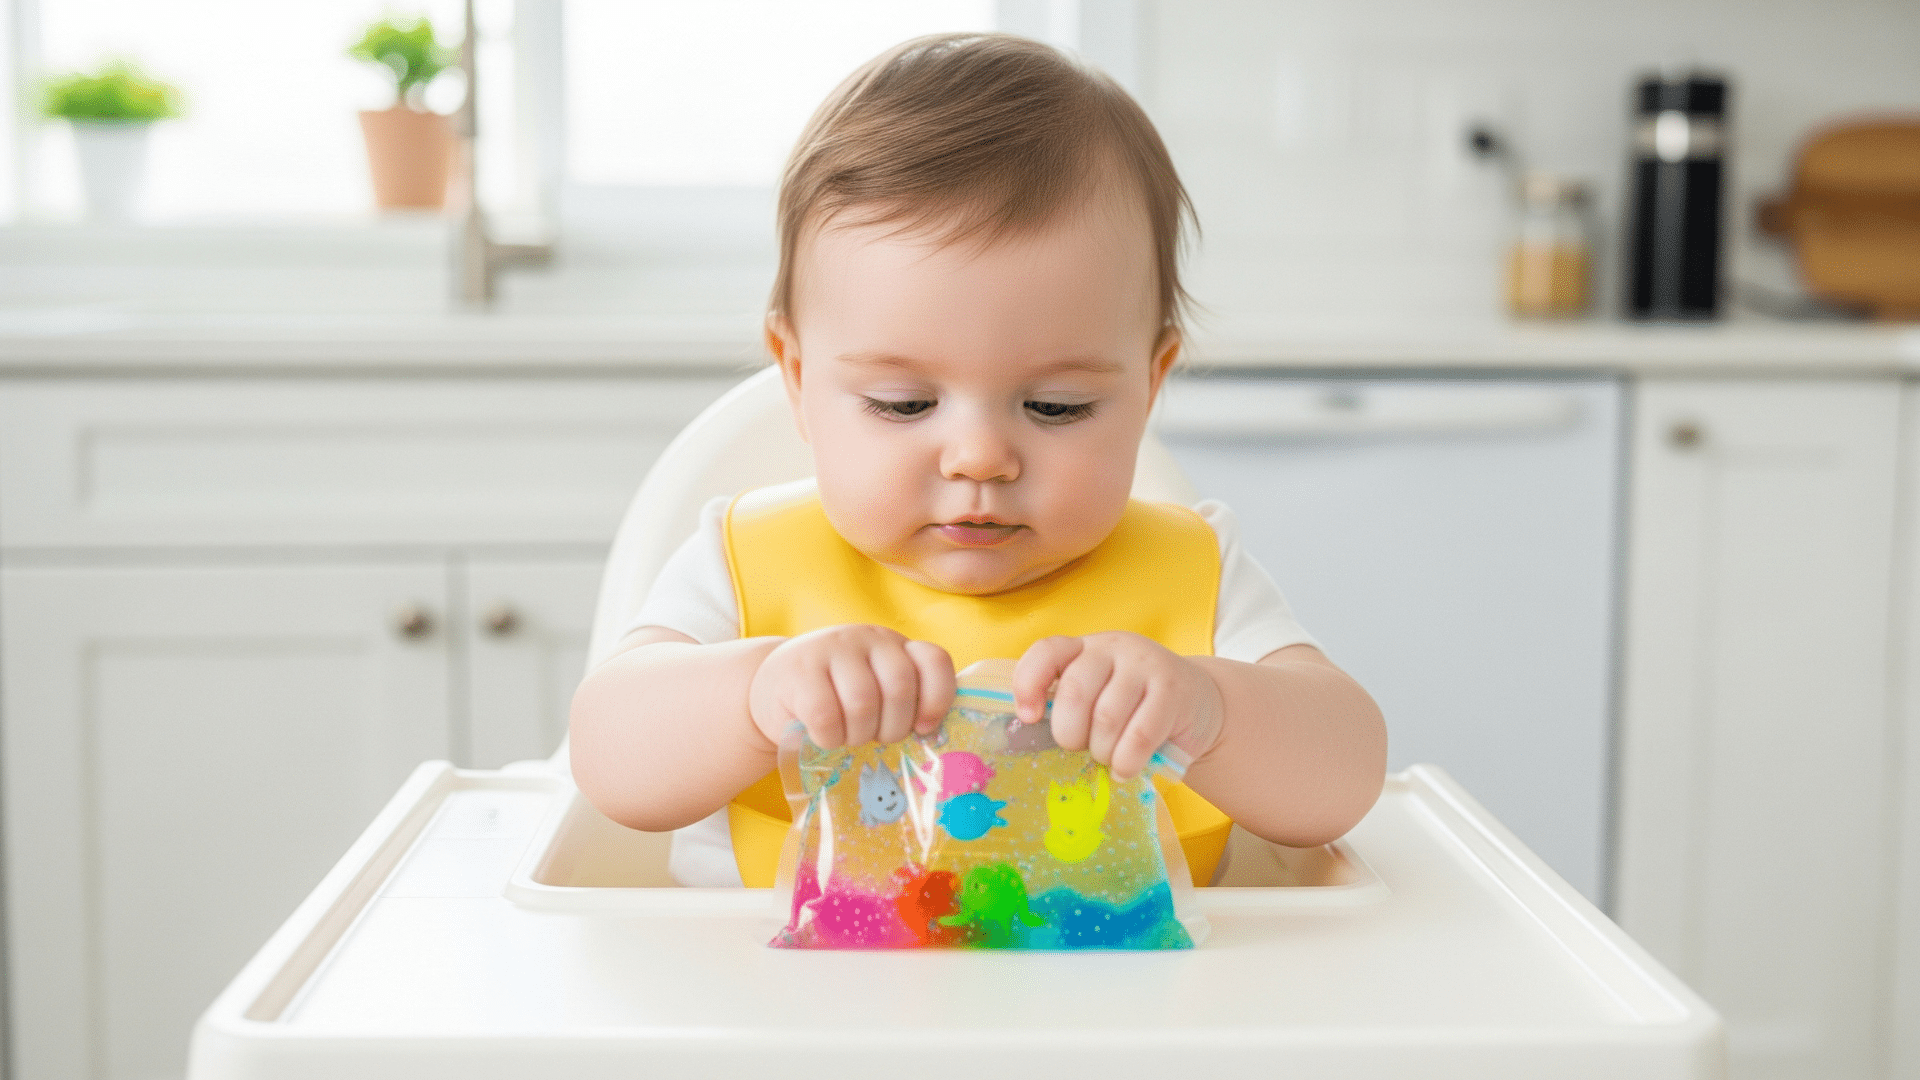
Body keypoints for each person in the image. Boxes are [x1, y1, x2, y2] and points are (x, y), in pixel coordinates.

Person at [570, 32, 1385, 887]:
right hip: (786, 1011)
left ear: (1151, 386)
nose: (981, 457)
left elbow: (1345, 778)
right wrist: (754, 696)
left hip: (1133, 1015)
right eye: (904, 404)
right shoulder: (740, 568)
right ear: (799, 379)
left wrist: (1211, 709)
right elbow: (606, 761)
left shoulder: (1194, 575)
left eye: (1056, 407)